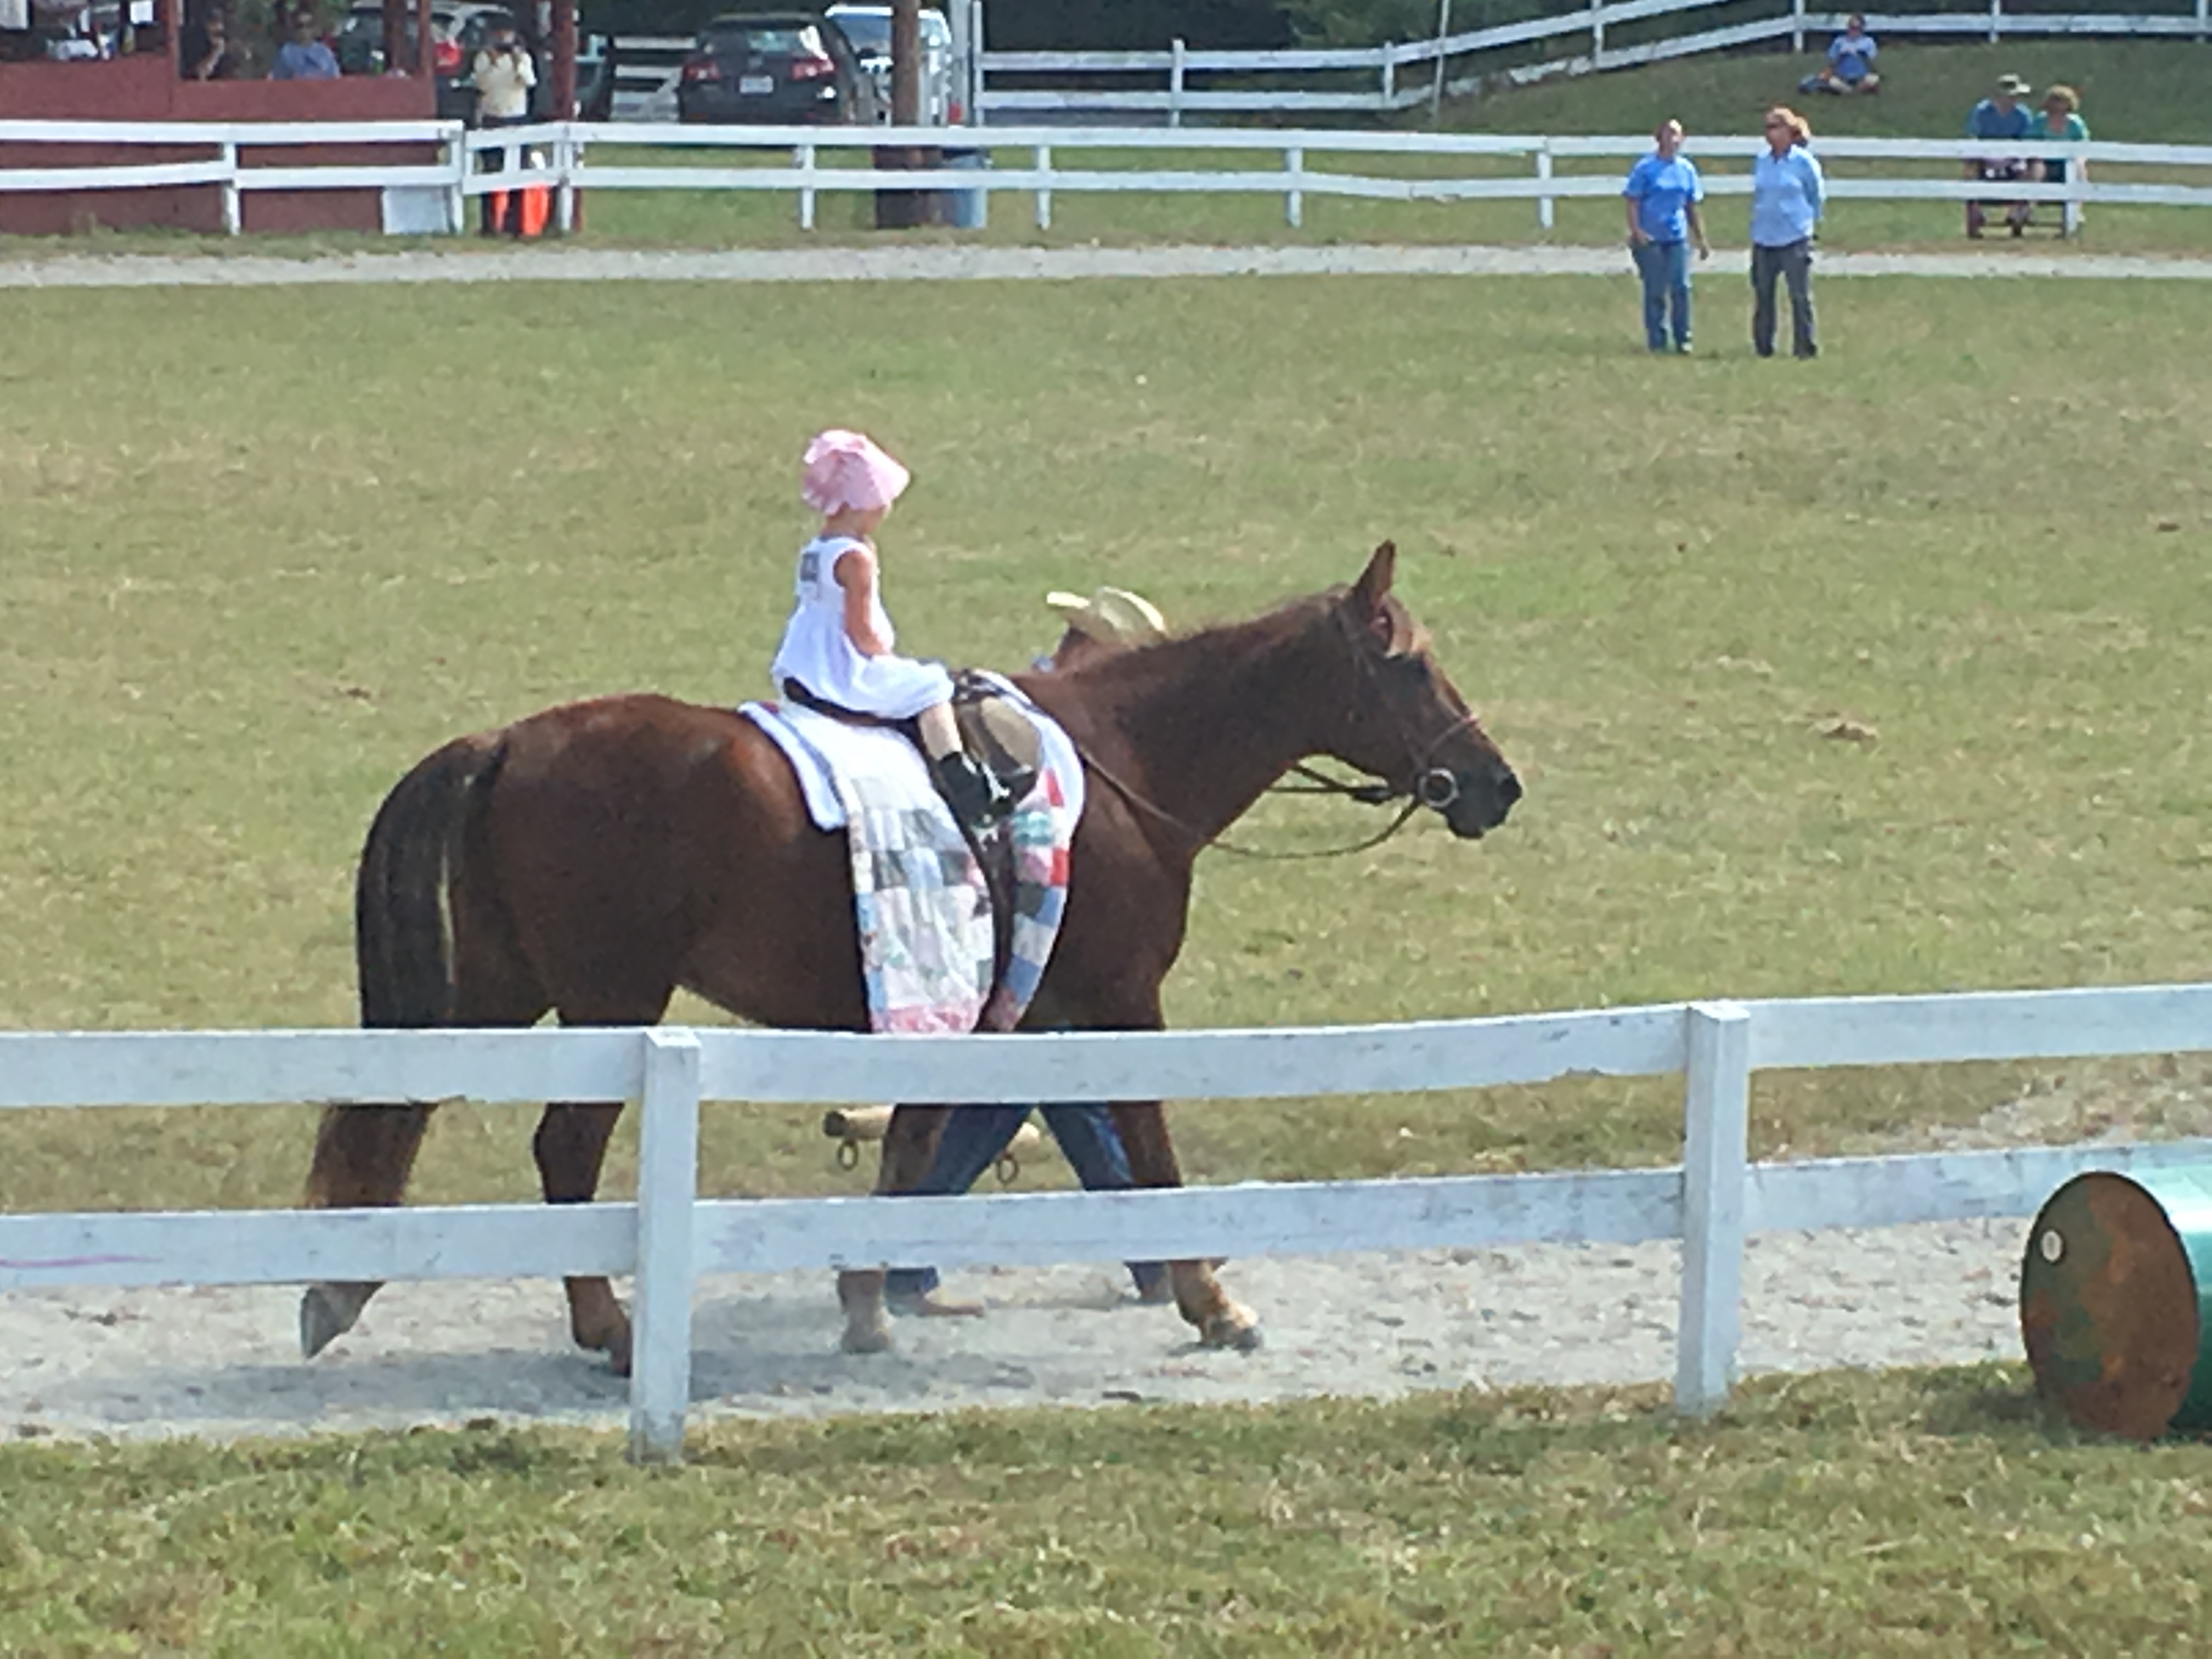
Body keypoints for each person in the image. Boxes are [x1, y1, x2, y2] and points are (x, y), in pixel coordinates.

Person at [884, 583, 1176, 1314]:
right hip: (1024, 924)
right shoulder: (1038, 719)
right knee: (1044, 1079)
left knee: (1035, 1083)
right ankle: (1158, 1253)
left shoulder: (1051, 711)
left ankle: (1155, 1253)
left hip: (1038, 932)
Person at [771, 428, 1011, 831]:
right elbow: (860, 629)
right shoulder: (855, 558)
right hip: (840, 668)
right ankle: (961, 777)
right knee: (932, 686)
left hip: (802, 661)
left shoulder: (816, 549)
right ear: (863, 504)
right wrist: (885, 651)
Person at [1621, 118, 1710, 356]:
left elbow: (1691, 205)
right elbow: (1632, 201)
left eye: (1678, 134)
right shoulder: (1645, 168)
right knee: (1655, 290)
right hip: (1651, 237)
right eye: (1669, 133)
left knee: (1681, 287)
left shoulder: (1686, 169)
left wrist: (1700, 238)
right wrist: (1637, 231)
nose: (1674, 139)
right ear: (1658, 137)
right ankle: (1657, 340)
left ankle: (1684, 338)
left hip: (1677, 237)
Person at [1749, 106, 1823, 361]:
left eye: (1775, 127)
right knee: (1763, 295)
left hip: (1794, 236)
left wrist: (1810, 226)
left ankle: (1805, 347)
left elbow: (1816, 196)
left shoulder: (1804, 162)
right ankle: (1763, 346)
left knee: (1799, 296)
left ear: (1789, 131)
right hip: (1764, 236)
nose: (1770, 134)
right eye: (1767, 128)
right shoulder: (1762, 161)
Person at [469, 20, 538, 234]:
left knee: (518, 173)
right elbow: (482, 85)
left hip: (516, 118)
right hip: (492, 117)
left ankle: (515, 223)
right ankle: (489, 225)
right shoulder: (484, 58)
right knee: (490, 172)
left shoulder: (524, 58)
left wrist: (517, 62)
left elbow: (529, 81)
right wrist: (493, 64)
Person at [1965, 73, 2039, 238]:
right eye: (2010, 96)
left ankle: (2018, 214)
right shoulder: (1981, 112)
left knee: (2027, 170)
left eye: (2015, 96)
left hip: (2014, 157)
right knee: (1970, 168)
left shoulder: (2023, 114)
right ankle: (1975, 214)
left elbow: (2027, 141)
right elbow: (1973, 136)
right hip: (1985, 156)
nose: (2013, 99)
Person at [2036, 84, 2090, 235]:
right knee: (2036, 167)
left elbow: (2083, 145)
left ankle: (2077, 211)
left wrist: (2079, 160)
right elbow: (2030, 143)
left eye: (2062, 101)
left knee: (2080, 168)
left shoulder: (2075, 123)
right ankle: (2023, 209)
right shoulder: (2040, 122)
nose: (2059, 105)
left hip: (2067, 164)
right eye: (2055, 101)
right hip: (2045, 163)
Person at [1799, 14, 1878, 96]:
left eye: (1857, 28)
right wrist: (1841, 57)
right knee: (1833, 82)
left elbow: (1872, 65)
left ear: (1862, 29)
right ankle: (1851, 91)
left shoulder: (1868, 42)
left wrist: (1863, 57)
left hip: (1862, 76)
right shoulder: (1840, 42)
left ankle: (1857, 89)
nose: (1854, 31)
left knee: (1873, 79)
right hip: (1843, 77)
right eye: (1852, 27)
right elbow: (1831, 63)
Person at [269, 11, 336, 78]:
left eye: (309, 26)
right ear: (293, 28)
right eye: (300, 26)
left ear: (315, 29)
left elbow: (335, 79)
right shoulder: (286, 52)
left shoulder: (324, 52)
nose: (304, 29)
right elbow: (278, 80)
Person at [178, 5, 236, 80]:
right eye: (213, 24)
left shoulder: (228, 48)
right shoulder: (193, 48)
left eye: (220, 23)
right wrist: (215, 53)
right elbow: (199, 75)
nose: (219, 28)